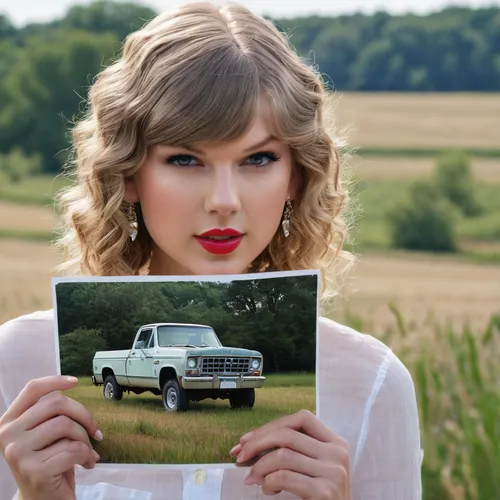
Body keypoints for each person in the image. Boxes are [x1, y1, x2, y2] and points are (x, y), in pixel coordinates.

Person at [0, 2, 423, 499]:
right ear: (129, 174)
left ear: (296, 176)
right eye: (185, 159)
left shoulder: (371, 383)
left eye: (258, 158)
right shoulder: (16, 367)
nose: (224, 200)